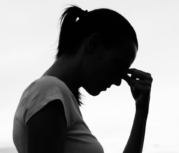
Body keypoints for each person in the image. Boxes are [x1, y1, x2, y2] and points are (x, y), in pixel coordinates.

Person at [12, 5, 153, 153]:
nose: (118, 81)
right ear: (94, 44)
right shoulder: (48, 92)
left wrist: (141, 111)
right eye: (118, 66)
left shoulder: (56, 96)